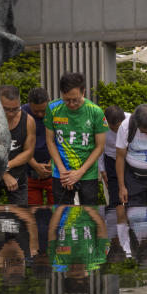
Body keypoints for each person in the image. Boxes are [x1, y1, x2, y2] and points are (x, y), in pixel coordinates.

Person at [46, 72, 107, 205]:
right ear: (62, 93)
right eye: (67, 100)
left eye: (76, 100)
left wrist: (80, 172)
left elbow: (100, 146)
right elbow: (50, 141)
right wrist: (63, 171)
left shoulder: (95, 111)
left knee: (88, 217)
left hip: (87, 173)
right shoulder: (52, 108)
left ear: (83, 91)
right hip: (61, 173)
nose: (72, 104)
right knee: (63, 216)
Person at [0, 85, 35, 205]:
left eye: (15, 109)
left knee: (21, 215)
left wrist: (6, 166)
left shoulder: (28, 121)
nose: (11, 113)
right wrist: (3, 174)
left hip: (17, 175)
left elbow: (28, 152)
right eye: (6, 109)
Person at [22, 87, 53, 205]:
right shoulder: (21, 114)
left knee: (58, 212)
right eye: (36, 112)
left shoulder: (57, 112)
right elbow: (19, 143)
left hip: (53, 171)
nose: (40, 114)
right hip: (29, 172)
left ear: (48, 102)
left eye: (43, 111)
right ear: (29, 104)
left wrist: (52, 163)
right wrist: (35, 165)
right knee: (33, 213)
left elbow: (62, 141)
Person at [99, 106, 126, 208]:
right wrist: (102, 169)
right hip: (111, 160)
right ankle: (113, 221)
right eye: (112, 128)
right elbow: (100, 147)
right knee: (114, 197)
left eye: (118, 127)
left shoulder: (132, 121)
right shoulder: (100, 125)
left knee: (132, 196)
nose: (116, 131)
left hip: (128, 160)